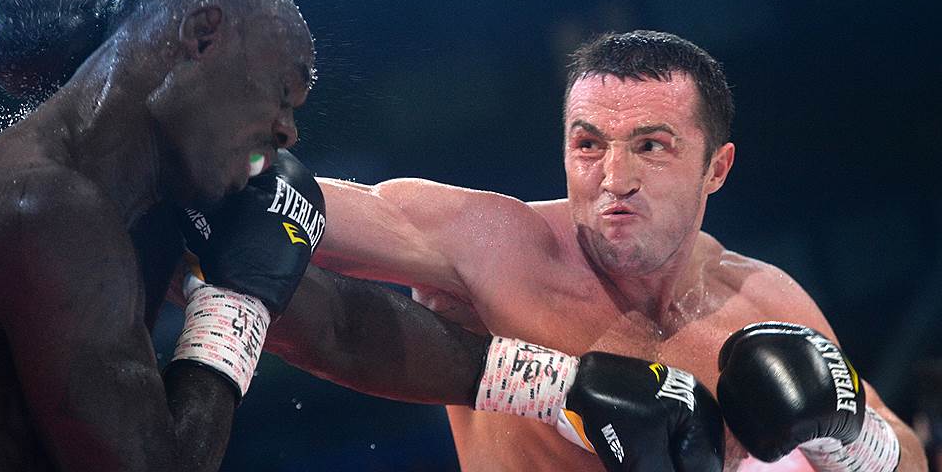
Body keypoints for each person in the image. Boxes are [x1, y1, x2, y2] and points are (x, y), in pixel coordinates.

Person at [278, 30, 925, 471]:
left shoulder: (762, 299)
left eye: (651, 146)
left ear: (716, 168)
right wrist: (228, 146)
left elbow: (908, 452)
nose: (615, 179)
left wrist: (852, 438)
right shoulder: (497, 247)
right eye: (589, 145)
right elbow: (285, 202)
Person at [0, 0, 323, 470]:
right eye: (283, 92)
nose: (288, 131)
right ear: (202, 36)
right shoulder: (43, 208)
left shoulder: (143, 215)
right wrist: (233, 314)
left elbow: (340, 326)